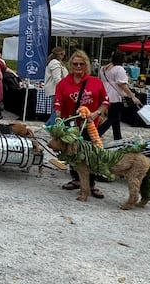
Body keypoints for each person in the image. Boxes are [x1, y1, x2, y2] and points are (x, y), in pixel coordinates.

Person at [53, 50, 110, 199]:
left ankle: (91, 184)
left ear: (86, 65)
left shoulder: (95, 82)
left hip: (90, 125)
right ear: (70, 65)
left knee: (90, 154)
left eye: (81, 64)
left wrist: (96, 113)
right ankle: (76, 179)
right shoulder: (63, 83)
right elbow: (58, 103)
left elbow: (105, 101)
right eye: (75, 63)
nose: (78, 66)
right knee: (72, 153)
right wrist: (59, 119)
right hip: (71, 124)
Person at [97, 50, 142, 141]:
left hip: (104, 94)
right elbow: (122, 84)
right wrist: (132, 96)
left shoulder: (103, 68)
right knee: (113, 118)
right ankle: (97, 133)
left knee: (115, 118)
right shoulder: (119, 69)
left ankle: (118, 138)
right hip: (115, 96)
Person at [43, 47, 68, 126]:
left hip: (55, 90)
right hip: (56, 90)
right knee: (56, 111)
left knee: (55, 110)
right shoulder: (55, 63)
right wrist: (63, 89)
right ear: (58, 55)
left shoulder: (55, 62)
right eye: (62, 54)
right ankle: (51, 127)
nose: (64, 56)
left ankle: (47, 126)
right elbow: (57, 78)